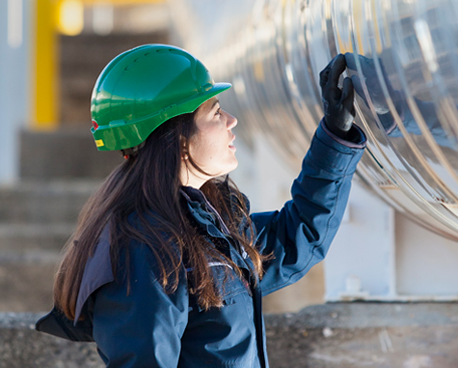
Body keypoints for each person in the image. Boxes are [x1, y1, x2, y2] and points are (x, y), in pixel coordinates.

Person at [35, 44, 366, 367]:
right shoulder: (143, 248)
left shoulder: (210, 222)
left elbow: (298, 238)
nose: (231, 121)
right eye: (216, 112)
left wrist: (335, 135)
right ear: (176, 135)